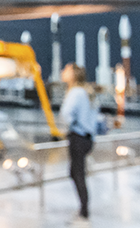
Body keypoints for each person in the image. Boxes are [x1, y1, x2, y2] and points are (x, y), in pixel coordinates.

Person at [59, 63, 97, 224]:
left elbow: (66, 114)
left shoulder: (75, 92)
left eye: (67, 69)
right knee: (75, 172)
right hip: (88, 138)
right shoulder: (88, 92)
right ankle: (84, 209)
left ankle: (84, 213)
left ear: (73, 75)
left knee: (77, 174)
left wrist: (64, 128)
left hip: (77, 137)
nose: (63, 71)